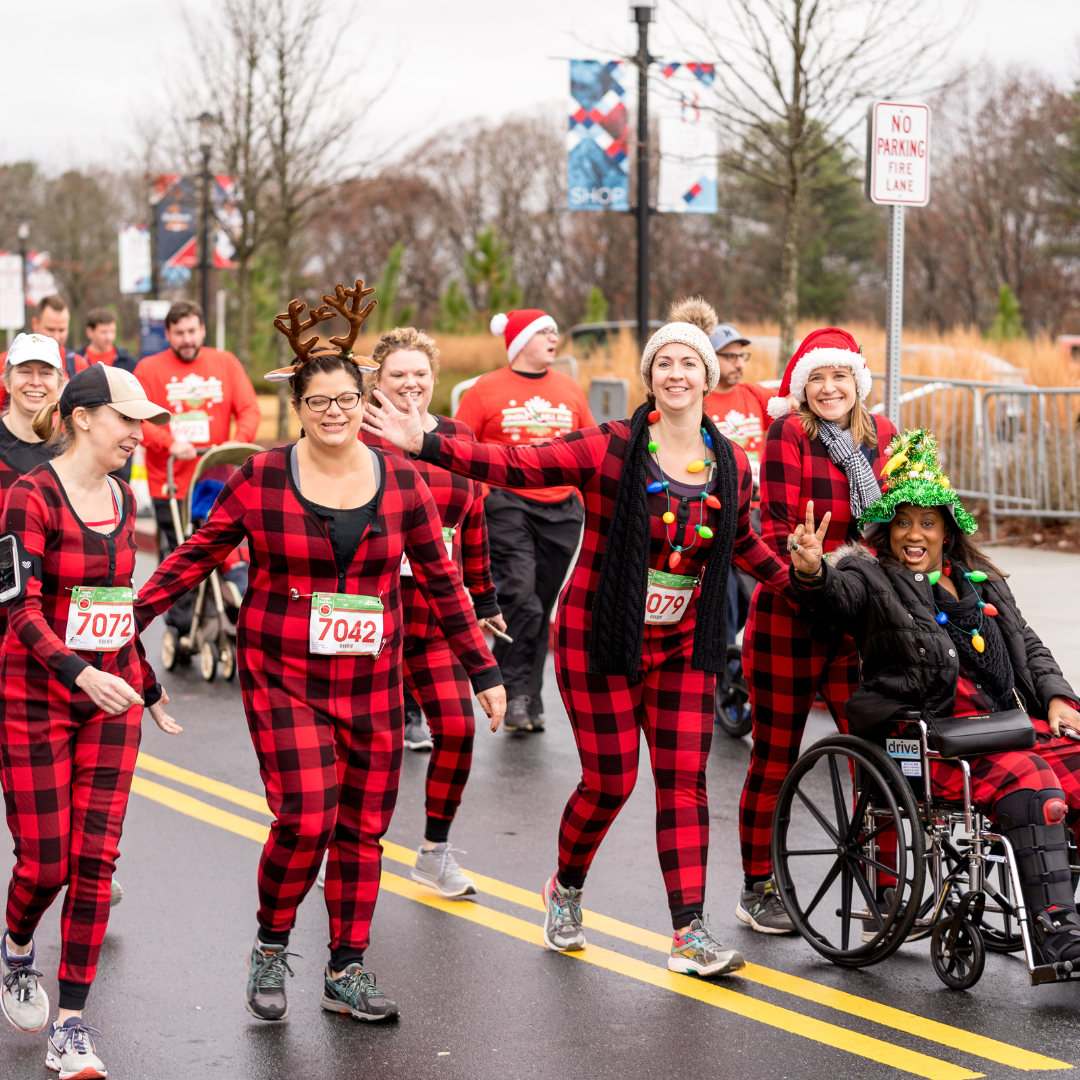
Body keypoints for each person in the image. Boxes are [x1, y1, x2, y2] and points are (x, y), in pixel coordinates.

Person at [365, 297, 793, 978]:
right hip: (600, 637)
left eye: (690, 363)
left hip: (684, 643)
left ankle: (689, 933)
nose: (677, 373)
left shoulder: (728, 464)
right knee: (612, 780)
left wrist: (809, 579)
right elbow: (515, 466)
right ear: (651, 377)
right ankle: (564, 888)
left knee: (683, 785)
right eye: (665, 363)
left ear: (709, 379)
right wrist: (426, 442)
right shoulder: (613, 447)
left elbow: (742, 541)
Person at [133, 281, 506, 1024]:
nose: (334, 414)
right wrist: (127, 620)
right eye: (318, 403)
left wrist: (484, 671)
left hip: (371, 679)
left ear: (363, 402)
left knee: (363, 828)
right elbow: (195, 556)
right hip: (284, 673)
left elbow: (441, 579)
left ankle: (347, 967)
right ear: (296, 408)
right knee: (306, 817)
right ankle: (272, 944)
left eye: (345, 401)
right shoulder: (263, 478)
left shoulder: (402, 481)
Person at [788, 428, 1080, 965]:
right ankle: (1055, 930)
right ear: (887, 530)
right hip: (926, 739)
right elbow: (835, 599)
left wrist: (1059, 698)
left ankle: (1061, 903)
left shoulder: (980, 581)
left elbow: (1027, 645)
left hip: (999, 724)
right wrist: (812, 571)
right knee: (1030, 779)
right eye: (902, 522)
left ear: (947, 531)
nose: (913, 534)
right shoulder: (869, 574)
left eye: (927, 522)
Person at [0, 364, 179, 1079]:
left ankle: (71, 1024)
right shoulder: (28, 496)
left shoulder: (123, 495)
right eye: (125, 419)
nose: (138, 434)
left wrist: (147, 681)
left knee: (95, 864)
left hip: (110, 701)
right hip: (36, 695)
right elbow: (19, 608)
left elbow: (115, 606)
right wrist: (80, 672)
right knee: (46, 861)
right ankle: (17, 947)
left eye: (142, 423)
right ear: (80, 418)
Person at [736, 328, 897, 935]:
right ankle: (758, 886)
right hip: (794, 614)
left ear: (858, 381)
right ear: (803, 388)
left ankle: (885, 888)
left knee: (877, 753)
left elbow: (900, 523)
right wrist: (814, 569)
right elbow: (778, 524)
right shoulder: (789, 434)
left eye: (841, 377)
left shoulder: (884, 436)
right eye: (818, 379)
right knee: (776, 757)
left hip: (862, 619)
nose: (830, 389)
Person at [360, 327, 508, 898]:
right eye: (397, 374)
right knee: (367, 745)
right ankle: (344, 847)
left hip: (436, 613)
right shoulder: (356, 433)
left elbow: (472, 519)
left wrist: (485, 595)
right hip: (371, 614)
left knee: (457, 728)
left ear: (434, 378)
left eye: (419, 374)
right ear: (378, 380)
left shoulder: (456, 436)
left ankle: (433, 852)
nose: (410, 384)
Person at [454, 309, 594, 732]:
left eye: (555, 330)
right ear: (519, 341)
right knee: (522, 600)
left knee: (541, 607)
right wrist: (475, 501)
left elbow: (590, 450)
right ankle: (513, 693)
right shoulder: (485, 389)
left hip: (562, 512)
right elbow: (458, 447)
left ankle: (528, 699)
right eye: (544, 331)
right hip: (509, 505)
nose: (555, 337)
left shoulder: (569, 389)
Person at [133, 299, 261, 560]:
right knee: (178, 557)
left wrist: (236, 444)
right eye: (179, 333)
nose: (187, 339)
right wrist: (170, 444)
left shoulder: (226, 363)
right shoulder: (148, 369)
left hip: (216, 481)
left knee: (221, 556)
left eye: (192, 332)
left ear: (203, 330)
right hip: (170, 483)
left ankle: (217, 600)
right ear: (167, 334)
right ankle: (180, 603)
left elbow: (249, 409)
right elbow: (138, 420)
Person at [701, 323, 777, 662]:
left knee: (755, 592)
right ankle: (723, 673)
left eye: (741, 355)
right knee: (724, 598)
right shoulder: (698, 400)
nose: (738, 363)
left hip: (757, 508)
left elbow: (789, 408)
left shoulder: (753, 395)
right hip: (716, 508)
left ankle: (737, 668)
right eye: (729, 356)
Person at [0, 296, 87, 413]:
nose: (56, 336)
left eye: (61, 330)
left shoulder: (78, 364)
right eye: (50, 329)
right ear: (35, 323)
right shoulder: (8, 361)